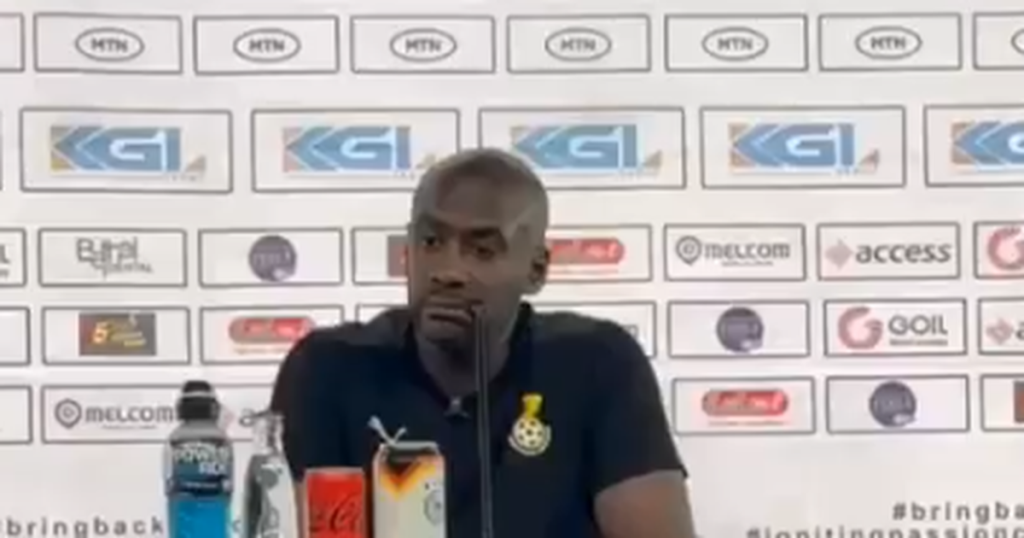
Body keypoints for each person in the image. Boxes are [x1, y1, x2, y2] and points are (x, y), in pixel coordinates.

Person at [270, 147, 698, 538]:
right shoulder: (330, 368)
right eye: (431, 242)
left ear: (536, 270)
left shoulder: (597, 362)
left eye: (482, 250)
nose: (448, 271)